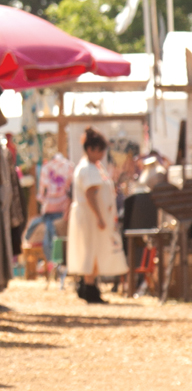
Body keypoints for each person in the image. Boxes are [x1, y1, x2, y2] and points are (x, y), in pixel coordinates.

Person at [68, 127, 127, 304]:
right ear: (90, 149)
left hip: (92, 216)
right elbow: (90, 194)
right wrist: (100, 216)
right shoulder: (88, 169)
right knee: (90, 250)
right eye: (100, 150)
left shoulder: (94, 167)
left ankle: (88, 285)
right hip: (90, 217)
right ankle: (89, 287)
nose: (102, 154)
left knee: (92, 249)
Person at [27, 150, 74, 274]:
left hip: (51, 211)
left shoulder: (46, 168)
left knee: (47, 230)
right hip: (65, 209)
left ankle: (52, 261)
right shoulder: (70, 167)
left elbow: (41, 193)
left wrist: (47, 200)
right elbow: (71, 191)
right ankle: (58, 262)